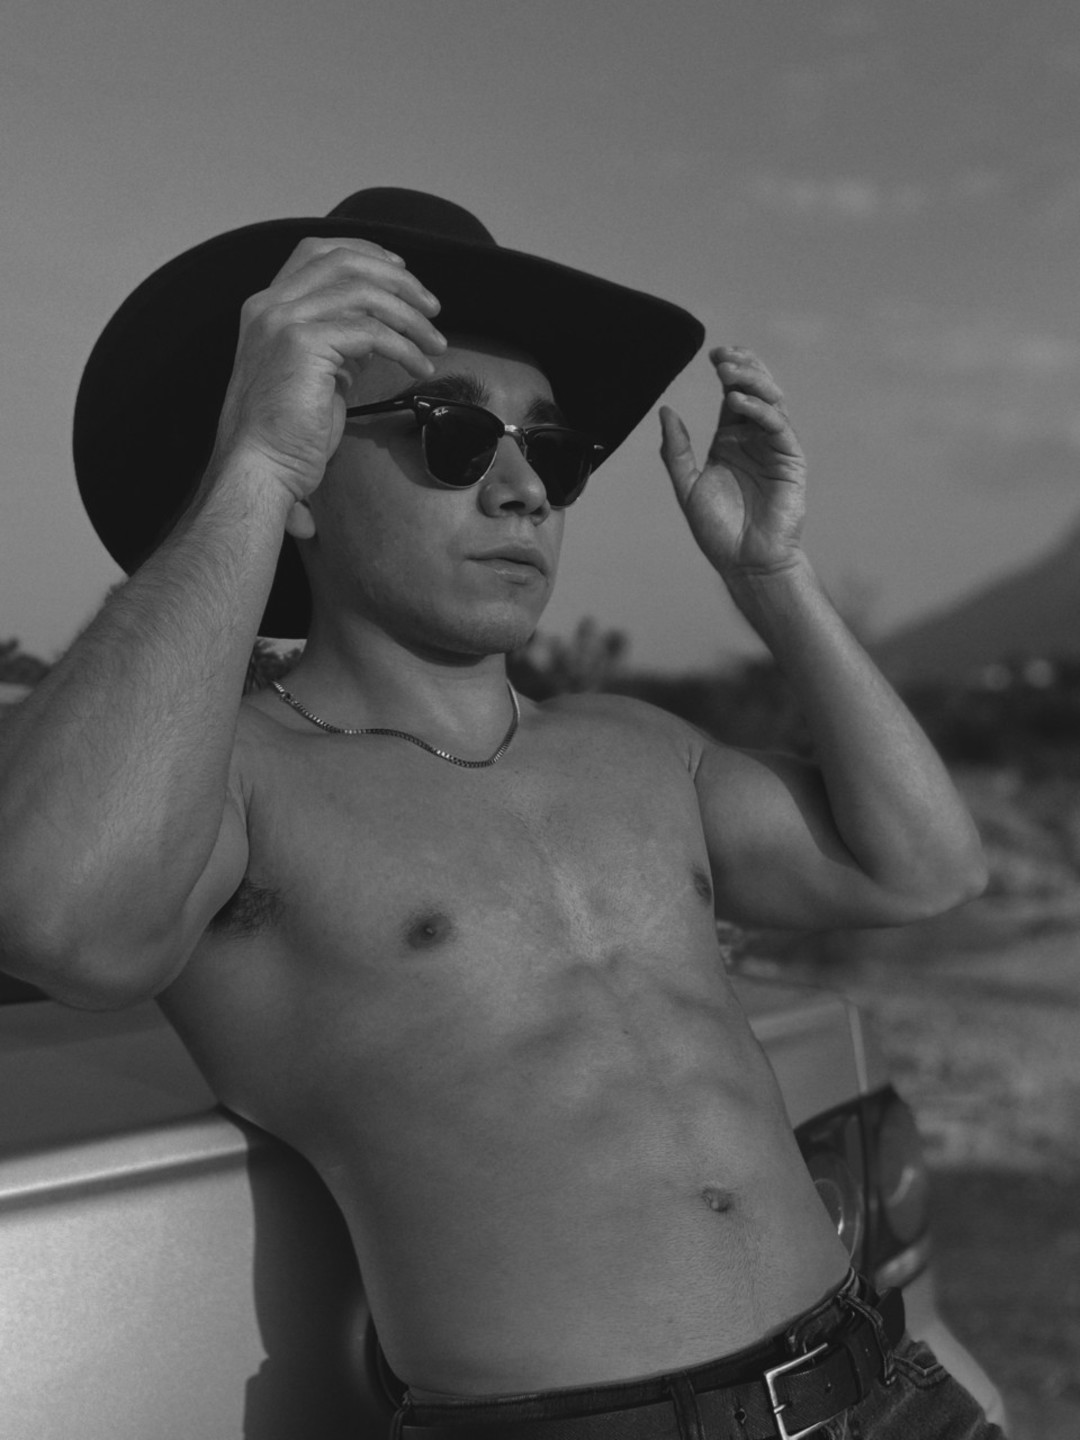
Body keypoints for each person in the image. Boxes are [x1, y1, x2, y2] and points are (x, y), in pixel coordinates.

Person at [0, 188, 999, 1439]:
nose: (526, 488)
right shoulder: (243, 784)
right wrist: (249, 463)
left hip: (879, 1390)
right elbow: (60, 923)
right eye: (455, 434)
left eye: (555, 452)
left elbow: (925, 868)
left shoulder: (638, 749)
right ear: (307, 472)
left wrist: (773, 575)